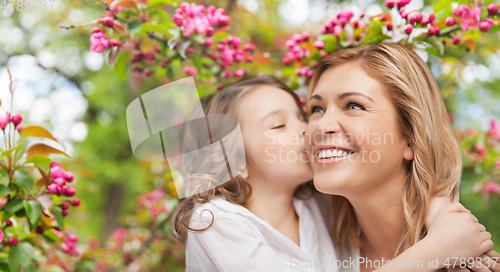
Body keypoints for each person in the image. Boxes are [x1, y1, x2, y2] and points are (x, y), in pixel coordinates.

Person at [171, 75, 494, 272]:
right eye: (279, 125)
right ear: (232, 161)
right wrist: (436, 249)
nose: (310, 130)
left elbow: (404, 182)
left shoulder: (316, 203)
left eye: (303, 117)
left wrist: (441, 216)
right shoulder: (215, 221)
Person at [305, 43, 499, 272]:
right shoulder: (311, 242)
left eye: (353, 105)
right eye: (317, 109)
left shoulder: (466, 263)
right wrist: (434, 250)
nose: (321, 125)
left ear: (411, 137)